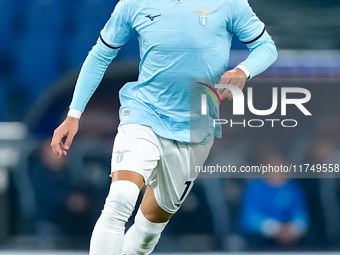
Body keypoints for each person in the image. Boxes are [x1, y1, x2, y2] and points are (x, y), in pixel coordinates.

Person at [51, 0, 277, 253]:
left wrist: (243, 70)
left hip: (195, 128)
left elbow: (266, 47)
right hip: (143, 114)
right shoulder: (132, 3)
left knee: (150, 228)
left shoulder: (229, 3)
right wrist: (74, 114)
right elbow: (100, 55)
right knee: (120, 200)